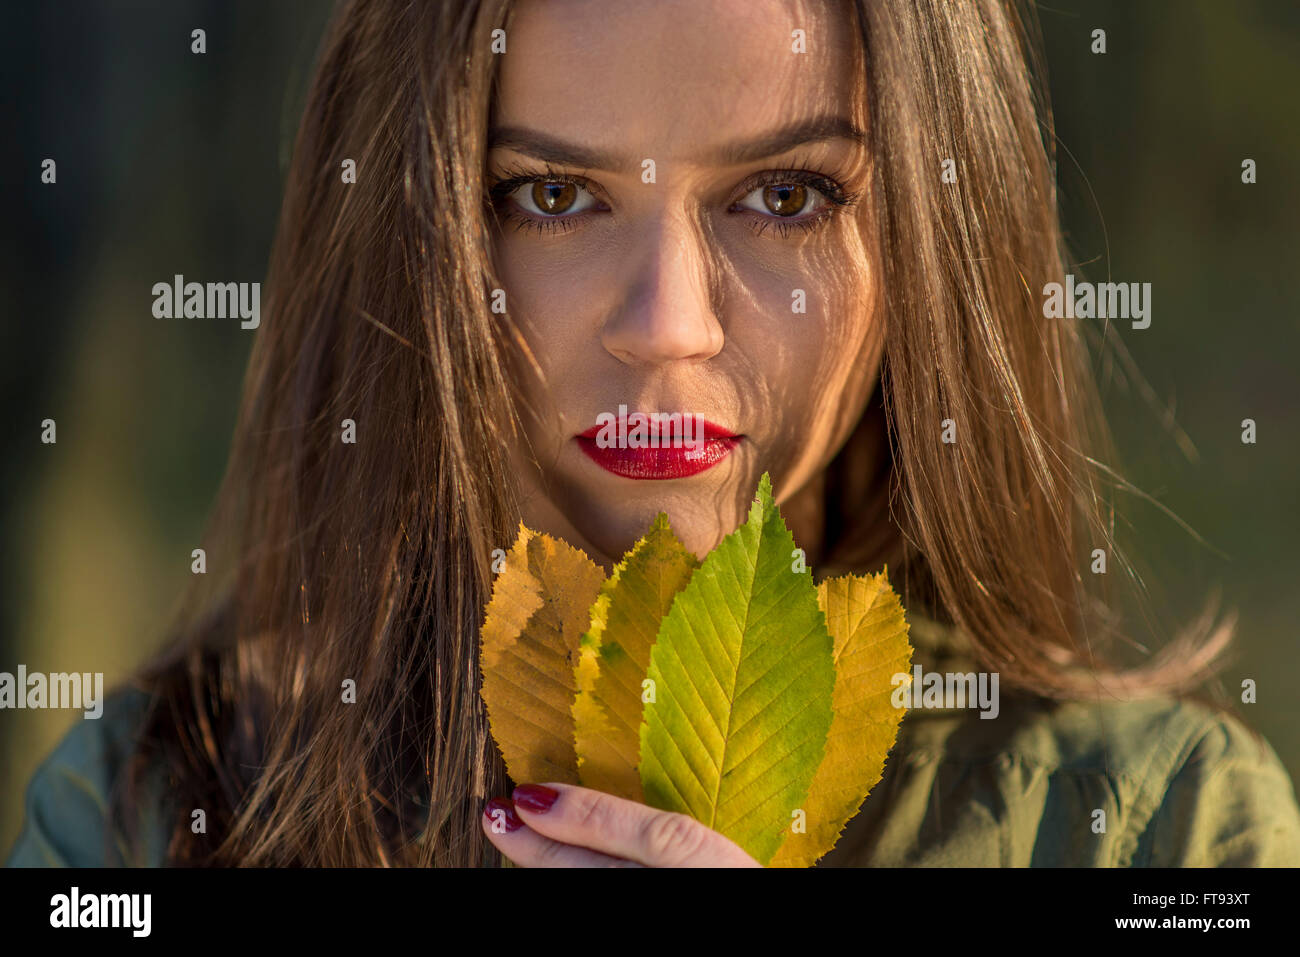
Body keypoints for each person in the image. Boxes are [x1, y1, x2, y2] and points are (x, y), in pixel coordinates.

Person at [8, 0, 1300, 868]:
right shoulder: (141, 810)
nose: (668, 326)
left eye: (784, 195)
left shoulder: (1163, 825)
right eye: (553, 195)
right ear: (411, 228)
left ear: (938, 233)